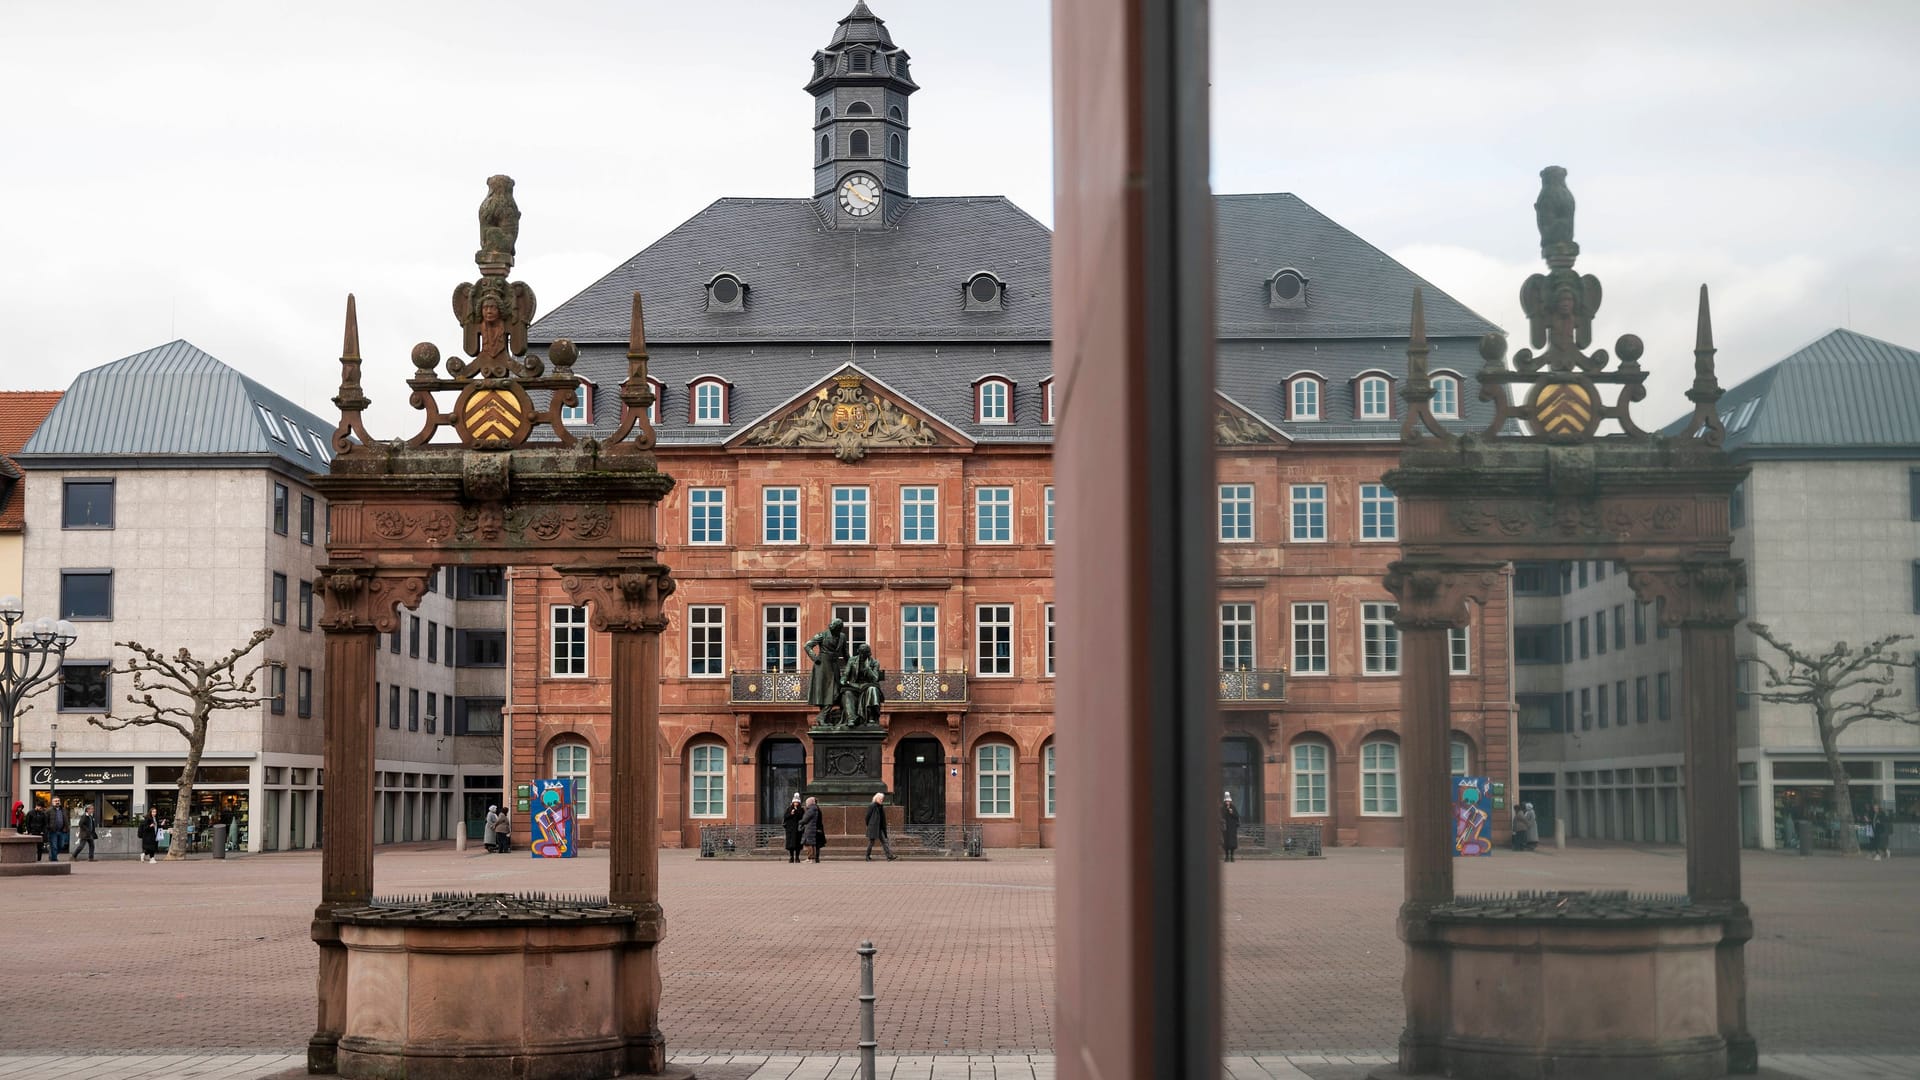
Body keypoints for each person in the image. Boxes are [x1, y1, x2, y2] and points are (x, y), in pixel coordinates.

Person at [803, 618, 849, 726]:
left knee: (836, 692)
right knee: (824, 692)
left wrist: (852, 664)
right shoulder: (822, 635)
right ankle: (823, 717)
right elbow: (807, 646)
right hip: (823, 666)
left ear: (839, 629)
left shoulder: (842, 636)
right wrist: (815, 658)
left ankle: (823, 717)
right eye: (832, 629)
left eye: (836, 630)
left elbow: (845, 653)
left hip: (834, 665)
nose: (834, 631)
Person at [865, 791, 896, 861]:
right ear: (876, 798)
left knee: (884, 842)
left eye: (882, 799)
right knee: (871, 842)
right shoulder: (872, 806)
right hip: (873, 827)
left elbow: (882, 819)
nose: (881, 800)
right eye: (880, 799)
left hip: (879, 828)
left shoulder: (881, 807)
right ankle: (867, 856)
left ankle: (889, 856)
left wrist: (883, 828)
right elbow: (867, 817)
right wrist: (869, 825)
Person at [799, 796, 824, 863]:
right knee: (811, 844)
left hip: (809, 828)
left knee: (808, 843)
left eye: (807, 802)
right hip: (811, 828)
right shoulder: (814, 809)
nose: (806, 804)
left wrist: (800, 822)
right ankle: (811, 858)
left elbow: (805, 819)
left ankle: (810, 858)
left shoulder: (811, 809)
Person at [783, 793, 805, 863]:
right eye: (795, 802)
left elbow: (802, 817)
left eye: (797, 802)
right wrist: (791, 814)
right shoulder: (789, 809)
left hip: (798, 830)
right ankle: (791, 857)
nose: (796, 803)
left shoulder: (801, 809)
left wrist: (796, 811)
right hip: (790, 829)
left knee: (797, 844)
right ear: (792, 802)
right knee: (790, 845)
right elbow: (785, 817)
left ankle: (797, 857)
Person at [1221, 792, 1240, 862]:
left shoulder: (1233, 807)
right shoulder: (1223, 808)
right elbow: (1221, 816)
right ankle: (1226, 856)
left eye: (1228, 801)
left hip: (1232, 828)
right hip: (1225, 828)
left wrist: (1232, 812)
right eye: (1226, 801)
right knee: (1226, 843)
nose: (1227, 802)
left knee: (1232, 843)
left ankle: (1232, 856)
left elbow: (1237, 816)